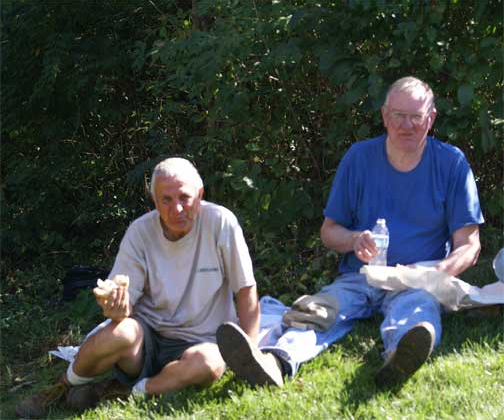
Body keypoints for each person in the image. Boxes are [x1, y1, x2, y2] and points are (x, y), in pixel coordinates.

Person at [216, 76, 484, 388]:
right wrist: (355, 239)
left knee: (417, 312)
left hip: (416, 280)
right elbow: (329, 232)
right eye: (399, 115)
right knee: (318, 311)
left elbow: (470, 244)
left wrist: (437, 273)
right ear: (385, 116)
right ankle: (276, 361)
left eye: (416, 116)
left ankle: (399, 357)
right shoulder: (359, 158)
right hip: (360, 277)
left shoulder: (451, 163)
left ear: (431, 118)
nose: (407, 125)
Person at [16, 157, 260, 418]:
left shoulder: (220, 222)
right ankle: (61, 387)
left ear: (200, 194)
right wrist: (115, 308)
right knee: (114, 334)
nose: (177, 208)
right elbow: (122, 302)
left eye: (184, 197)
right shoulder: (140, 232)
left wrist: (250, 354)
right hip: (148, 337)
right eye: (166, 200)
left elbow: (245, 289)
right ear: (154, 201)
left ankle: (125, 392)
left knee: (208, 365)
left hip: (203, 340)